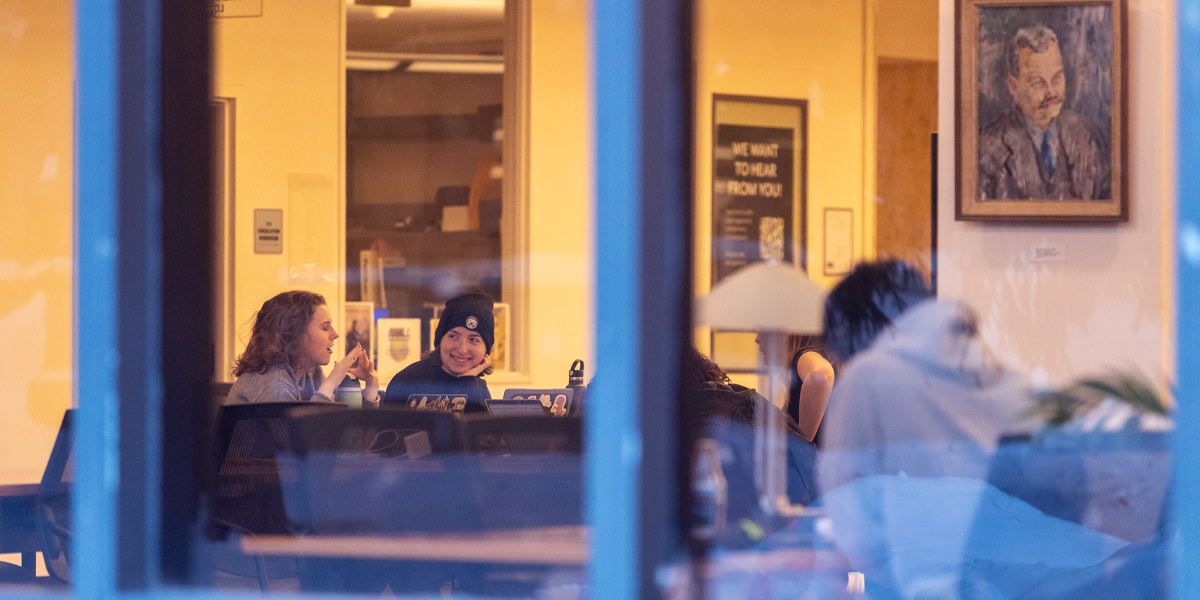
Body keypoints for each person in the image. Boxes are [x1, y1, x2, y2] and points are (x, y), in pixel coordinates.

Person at [978, 25, 1110, 200]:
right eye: (1038, 83)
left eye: (1057, 78)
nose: (1051, 93)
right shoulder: (986, 149)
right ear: (1014, 87)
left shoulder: (1088, 135)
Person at [226, 290, 380, 405]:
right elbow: (303, 437)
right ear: (296, 334)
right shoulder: (273, 383)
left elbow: (342, 431)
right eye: (325, 328)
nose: (335, 334)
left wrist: (371, 388)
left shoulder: (311, 374)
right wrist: (330, 384)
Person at [383, 291, 494, 412]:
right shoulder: (409, 381)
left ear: (486, 350)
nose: (462, 350)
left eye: (473, 340)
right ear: (440, 340)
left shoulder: (477, 386)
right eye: (453, 336)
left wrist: (467, 382)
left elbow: (480, 424)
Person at [755, 333, 837, 445]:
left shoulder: (805, 356)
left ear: (785, 334)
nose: (757, 339)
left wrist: (800, 444)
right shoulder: (816, 357)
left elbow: (822, 376)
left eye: (762, 331)